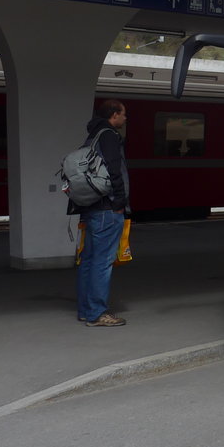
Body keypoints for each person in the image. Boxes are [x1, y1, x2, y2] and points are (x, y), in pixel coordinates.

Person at [71, 99, 130, 327]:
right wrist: (120, 201)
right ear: (114, 115)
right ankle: (98, 313)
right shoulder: (109, 135)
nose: (125, 119)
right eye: (123, 114)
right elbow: (115, 169)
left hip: (91, 206)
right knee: (102, 263)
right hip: (108, 208)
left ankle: (86, 311)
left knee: (88, 260)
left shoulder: (92, 136)